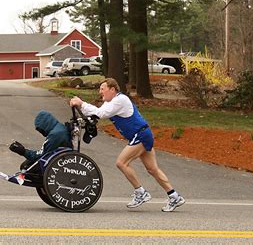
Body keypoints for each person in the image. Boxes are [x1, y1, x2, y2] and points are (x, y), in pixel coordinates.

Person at [70, 78, 185, 212]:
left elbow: (101, 113)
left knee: (121, 162)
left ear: (112, 89)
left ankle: (141, 192)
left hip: (141, 135)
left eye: (103, 89)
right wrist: (81, 108)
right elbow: (97, 113)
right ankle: (174, 196)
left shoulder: (120, 100)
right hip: (142, 135)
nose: (100, 92)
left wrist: (81, 103)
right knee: (153, 169)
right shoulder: (112, 102)